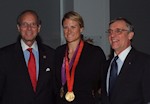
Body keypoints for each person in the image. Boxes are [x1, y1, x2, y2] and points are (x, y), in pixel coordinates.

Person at [0, 10, 55, 104]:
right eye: (24, 24)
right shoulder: (3, 56)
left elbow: (55, 91)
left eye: (33, 24)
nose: (29, 28)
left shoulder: (52, 55)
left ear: (39, 28)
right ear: (18, 27)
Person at [53, 11, 106, 104]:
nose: (69, 31)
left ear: (81, 29)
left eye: (73, 27)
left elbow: (102, 84)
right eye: (66, 27)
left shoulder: (94, 53)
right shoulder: (58, 52)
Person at [101, 17, 150, 104]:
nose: (112, 35)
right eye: (110, 31)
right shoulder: (107, 65)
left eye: (118, 31)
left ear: (130, 35)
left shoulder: (144, 63)